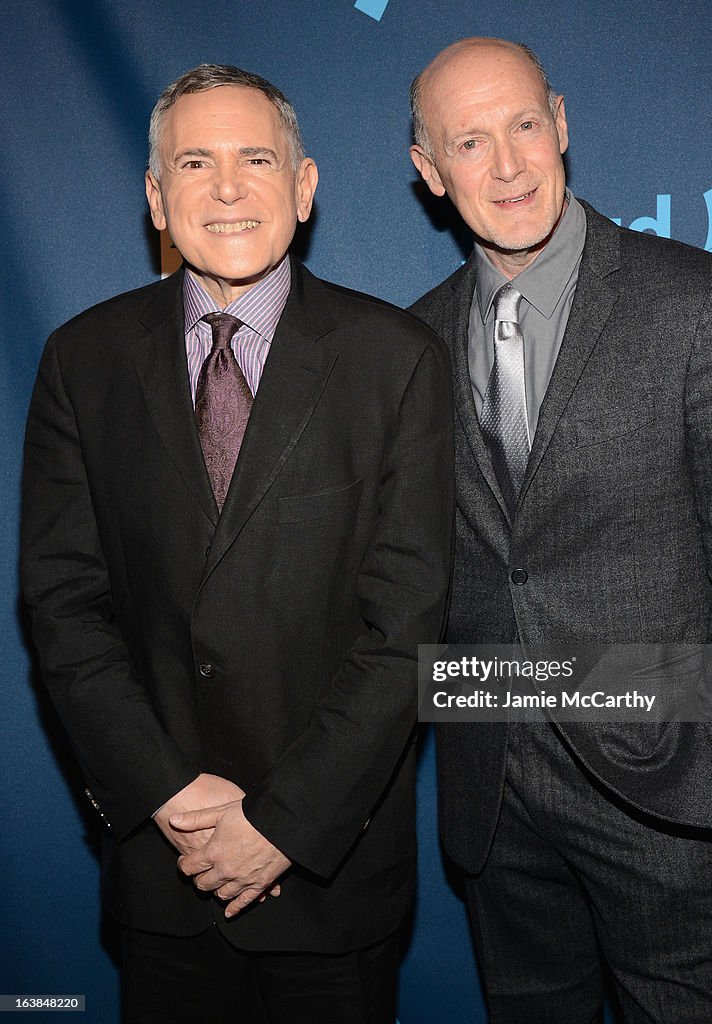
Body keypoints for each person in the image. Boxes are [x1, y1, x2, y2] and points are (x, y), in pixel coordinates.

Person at [20, 64, 453, 1024]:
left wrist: (283, 826)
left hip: (330, 886)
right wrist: (166, 790)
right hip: (163, 877)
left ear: (303, 189)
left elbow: (407, 628)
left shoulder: (397, 363)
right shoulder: (80, 361)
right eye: (195, 162)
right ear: (155, 198)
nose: (226, 188)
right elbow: (62, 606)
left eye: (257, 159)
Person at [408, 37, 712, 1024]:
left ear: (562, 124)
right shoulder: (408, 343)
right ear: (427, 170)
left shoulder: (696, 303)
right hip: (492, 795)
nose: (506, 166)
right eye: (468, 141)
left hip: (663, 789)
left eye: (524, 126)